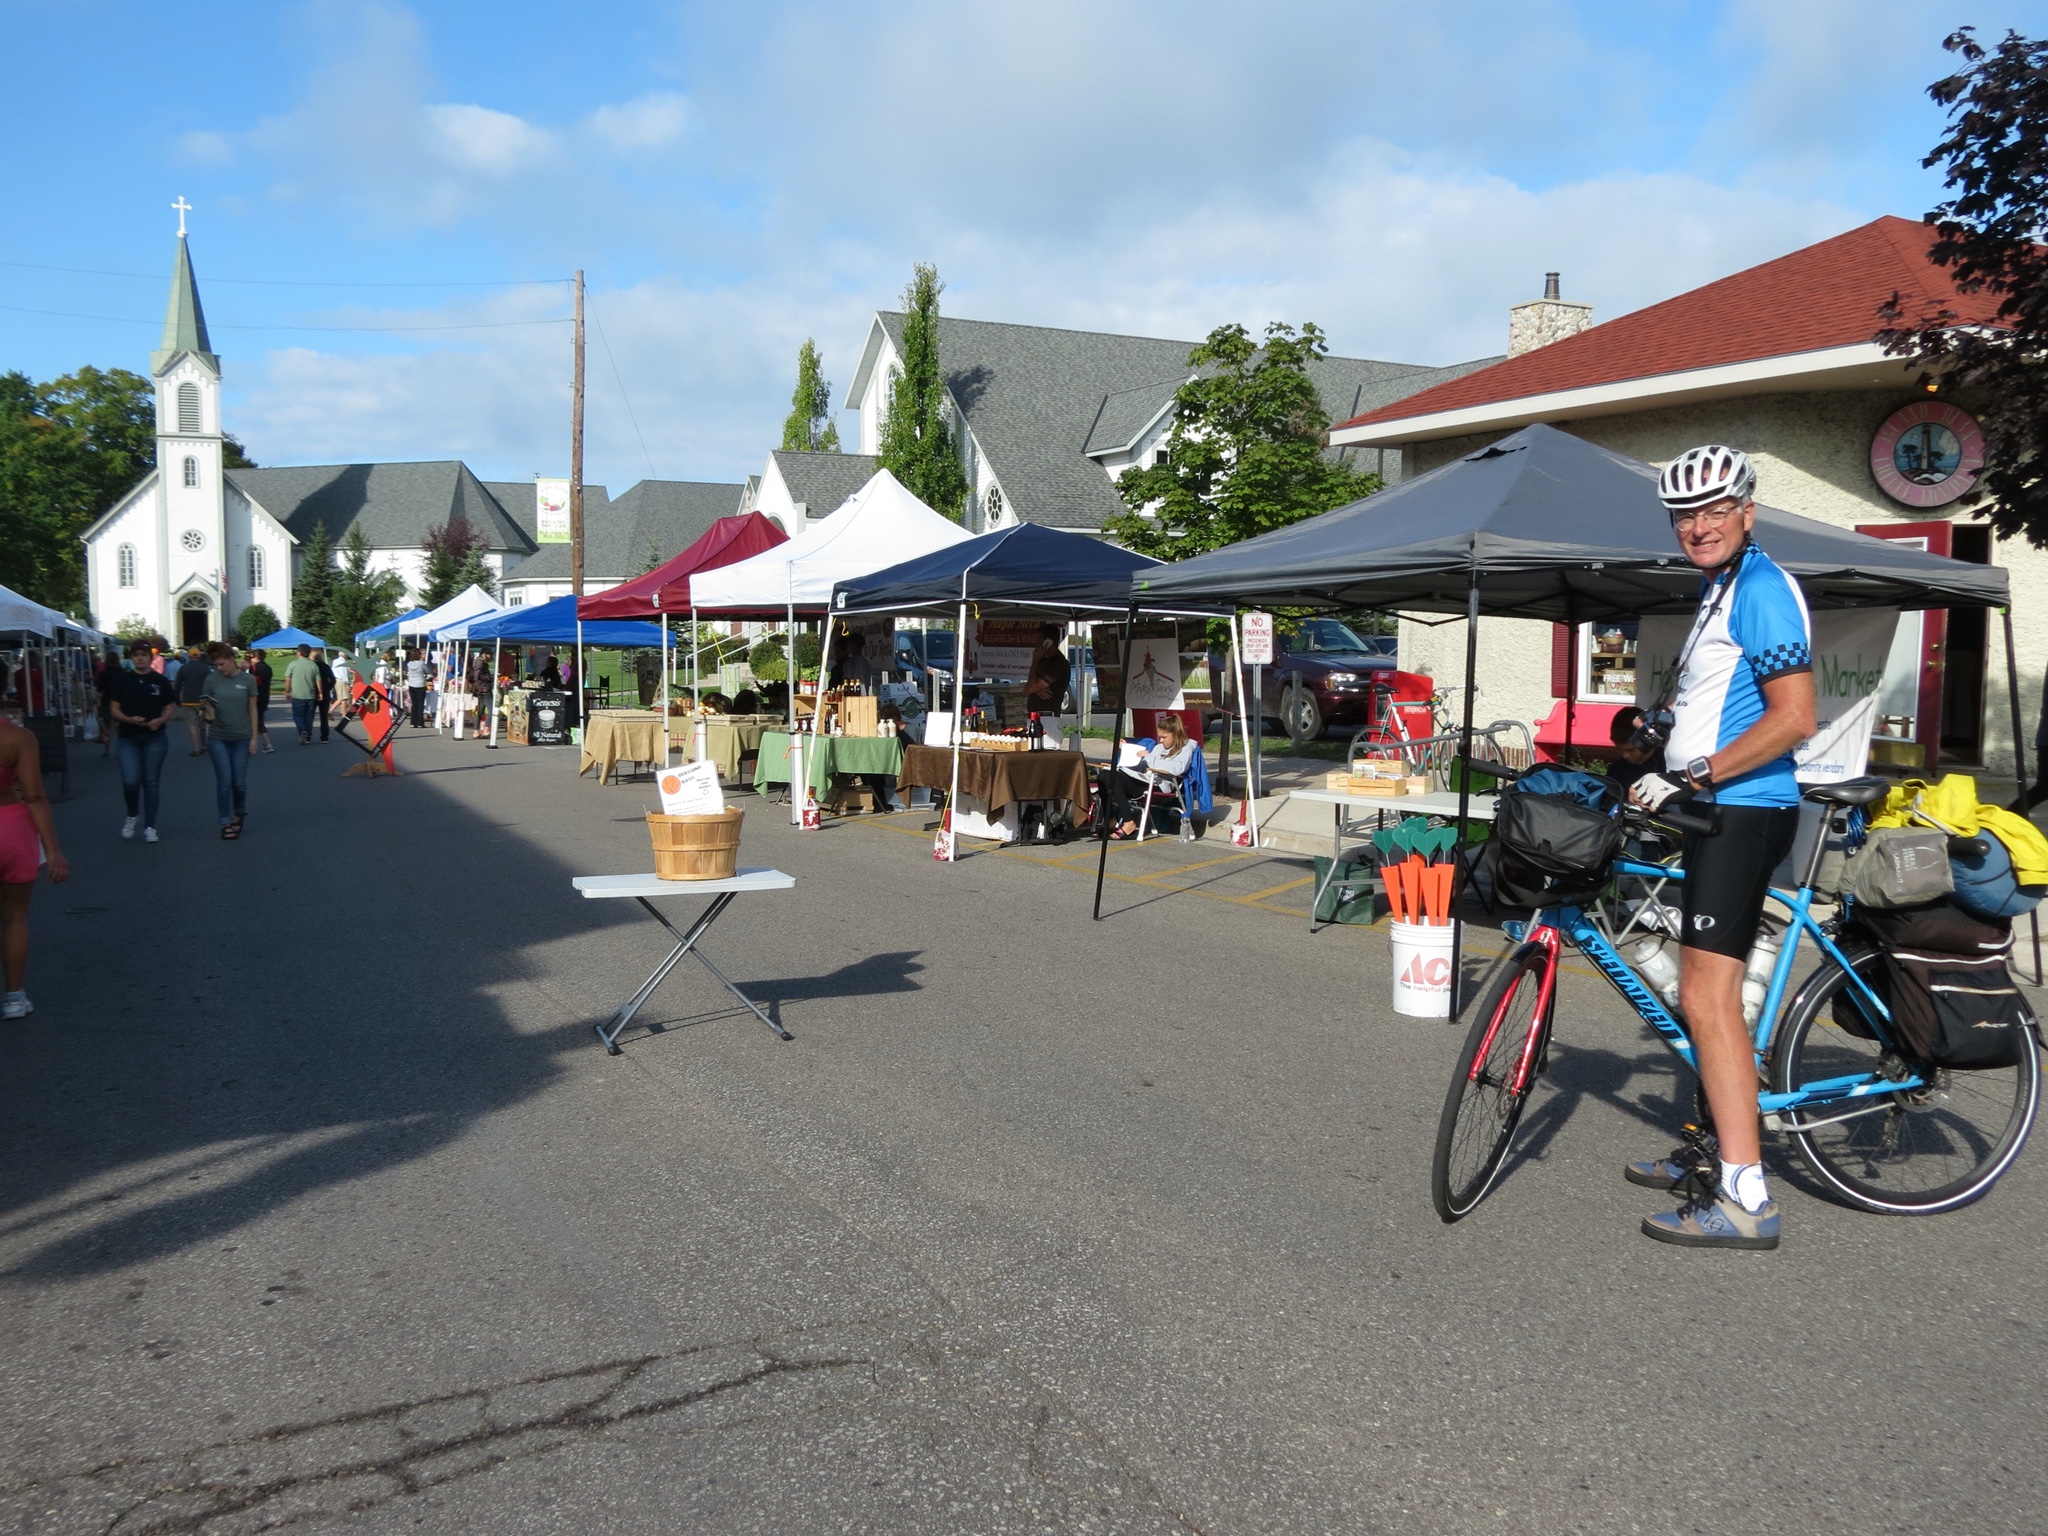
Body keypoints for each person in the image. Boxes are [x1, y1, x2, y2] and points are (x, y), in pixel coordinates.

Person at [1627, 445, 1816, 1252]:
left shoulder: (1763, 589)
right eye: (1685, 515)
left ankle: (1746, 1199)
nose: (1698, 526)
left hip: (1746, 809)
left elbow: (1794, 718)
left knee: (1708, 999)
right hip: (1716, 809)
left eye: (1713, 510)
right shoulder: (1723, 588)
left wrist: (1695, 773)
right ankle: (1713, 1144)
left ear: (1747, 511)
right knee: (1705, 995)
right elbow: (1721, 701)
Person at [0, 664, 70, 1020]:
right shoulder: (19, 738)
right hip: (10, 827)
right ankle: (14, 997)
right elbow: (34, 796)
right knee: (15, 917)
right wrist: (53, 849)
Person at [108, 637, 179, 841]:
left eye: (143, 655)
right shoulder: (122, 680)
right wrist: (128, 719)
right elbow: (114, 709)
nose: (140, 659)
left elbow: (170, 707)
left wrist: (160, 720)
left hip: (154, 737)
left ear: (150, 657)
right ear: (131, 658)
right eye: (136, 655)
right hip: (128, 737)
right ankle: (132, 814)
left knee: (151, 782)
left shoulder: (160, 681)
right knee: (131, 781)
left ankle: (150, 826)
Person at [1098, 711, 1197, 840]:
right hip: (1144, 779)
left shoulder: (1186, 749)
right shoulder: (1159, 748)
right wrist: (1127, 751)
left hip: (1158, 784)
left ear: (1176, 734)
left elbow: (1177, 769)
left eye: (1164, 737)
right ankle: (1110, 818)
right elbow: (1142, 767)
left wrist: (1149, 758)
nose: (1161, 740)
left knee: (1112, 777)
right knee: (1104, 775)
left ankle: (1128, 822)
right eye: (1159, 737)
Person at [200, 644, 260, 838]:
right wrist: (206, 708)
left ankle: (239, 812)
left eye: (222, 664)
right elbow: (205, 707)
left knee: (239, 783)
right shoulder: (211, 680)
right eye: (216, 665)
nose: (219, 668)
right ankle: (225, 821)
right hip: (218, 737)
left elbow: (252, 709)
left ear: (231, 659)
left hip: (241, 737)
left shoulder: (248, 679)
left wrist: (254, 738)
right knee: (224, 780)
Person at [1602, 706, 1662, 802]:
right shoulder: (1616, 769)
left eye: (1631, 750)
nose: (1624, 755)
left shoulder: (1667, 768)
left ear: (1648, 741)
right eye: (1619, 750)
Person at [1025, 624, 1072, 717]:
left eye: (1038, 640)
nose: (1036, 643)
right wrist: (1035, 690)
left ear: (1048, 641)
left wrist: (1035, 660)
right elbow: (1026, 690)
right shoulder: (1043, 661)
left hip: (1048, 716)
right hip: (1035, 715)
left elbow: (1030, 688)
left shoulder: (1058, 663)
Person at [175, 642, 211, 756]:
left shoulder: (183, 668)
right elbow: (210, 683)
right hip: (203, 701)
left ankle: (196, 748)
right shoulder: (205, 668)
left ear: (189, 656)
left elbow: (178, 685)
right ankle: (204, 745)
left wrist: (177, 699)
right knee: (203, 724)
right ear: (199, 656)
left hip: (188, 701)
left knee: (192, 725)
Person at [285, 643, 322, 745]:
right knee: (309, 716)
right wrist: (320, 692)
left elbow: (288, 678)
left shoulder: (293, 664)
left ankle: (302, 730)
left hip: (297, 695)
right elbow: (318, 680)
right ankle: (308, 735)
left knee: (297, 715)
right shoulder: (313, 665)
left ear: (299, 653)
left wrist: (287, 691)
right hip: (310, 695)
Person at [246, 648, 276, 753]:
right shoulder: (267, 668)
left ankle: (267, 743)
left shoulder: (254, 668)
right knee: (258, 719)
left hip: (256, 697)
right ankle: (261, 743)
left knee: (256, 721)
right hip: (264, 696)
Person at [404, 648, 429, 728]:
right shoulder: (421, 663)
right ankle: (420, 722)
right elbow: (427, 671)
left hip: (412, 684)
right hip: (420, 684)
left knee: (414, 704)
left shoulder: (409, 664)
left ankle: (413, 722)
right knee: (420, 703)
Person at [316, 648, 337, 742]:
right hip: (325, 692)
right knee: (323, 716)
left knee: (310, 715)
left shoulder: (312, 666)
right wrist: (328, 688)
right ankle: (324, 736)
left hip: (313, 692)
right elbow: (333, 679)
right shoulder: (325, 666)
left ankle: (307, 734)